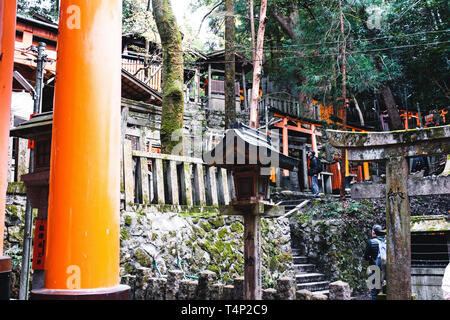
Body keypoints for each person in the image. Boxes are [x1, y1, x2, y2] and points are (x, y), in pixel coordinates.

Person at [364, 224, 386, 300]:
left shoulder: (371, 242)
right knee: (385, 291)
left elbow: (366, 257)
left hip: (374, 268)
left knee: (374, 291)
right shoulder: (387, 241)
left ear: (373, 232)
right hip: (386, 269)